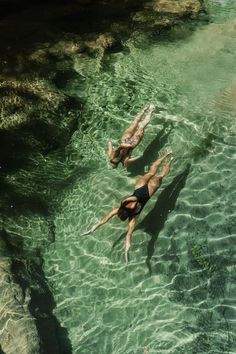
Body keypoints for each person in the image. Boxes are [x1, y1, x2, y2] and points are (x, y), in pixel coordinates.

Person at [82, 150, 173, 263]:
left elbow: (103, 221)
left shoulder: (122, 206)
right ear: (130, 214)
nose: (133, 206)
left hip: (139, 188)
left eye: (129, 206)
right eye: (132, 208)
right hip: (148, 193)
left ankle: (166, 154)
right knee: (160, 176)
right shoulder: (133, 219)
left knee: (151, 173)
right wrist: (126, 251)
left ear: (122, 209)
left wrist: (92, 228)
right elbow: (128, 235)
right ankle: (170, 160)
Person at [108, 104, 156, 168]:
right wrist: (110, 141)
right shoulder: (111, 155)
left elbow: (139, 156)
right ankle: (145, 109)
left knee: (142, 126)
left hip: (132, 144)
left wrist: (131, 149)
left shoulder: (123, 161)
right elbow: (110, 144)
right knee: (135, 123)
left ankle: (150, 110)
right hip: (125, 140)